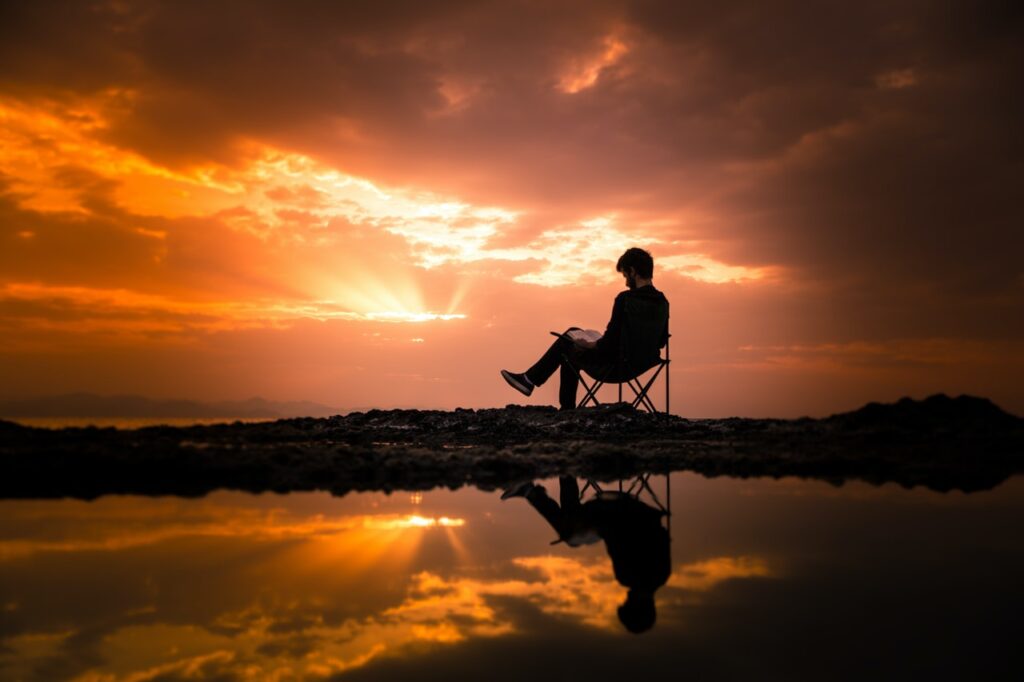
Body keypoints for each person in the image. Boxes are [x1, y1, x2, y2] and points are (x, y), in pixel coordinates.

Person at [501, 247, 669, 410]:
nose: (626, 282)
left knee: (568, 344)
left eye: (625, 275)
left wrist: (589, 344)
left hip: (615, 366)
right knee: (572, 336)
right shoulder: (663, 302)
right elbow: (661, 342)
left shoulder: (625, 300)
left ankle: (537, 386)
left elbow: (608, 343)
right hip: (642, 364)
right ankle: (533, 382)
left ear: (633, 271)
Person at [501, 476, 671, 634]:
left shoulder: (662, 575)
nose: (626, 597)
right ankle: (533, 490)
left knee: (572, 530)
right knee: (571, 533)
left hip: (637, 513)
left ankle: (555, 479)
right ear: (638, 606)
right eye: (628, 603)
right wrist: (589, 530)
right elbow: (615, 537)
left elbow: (658, 534)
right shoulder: (628, 577)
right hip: (619, 513)